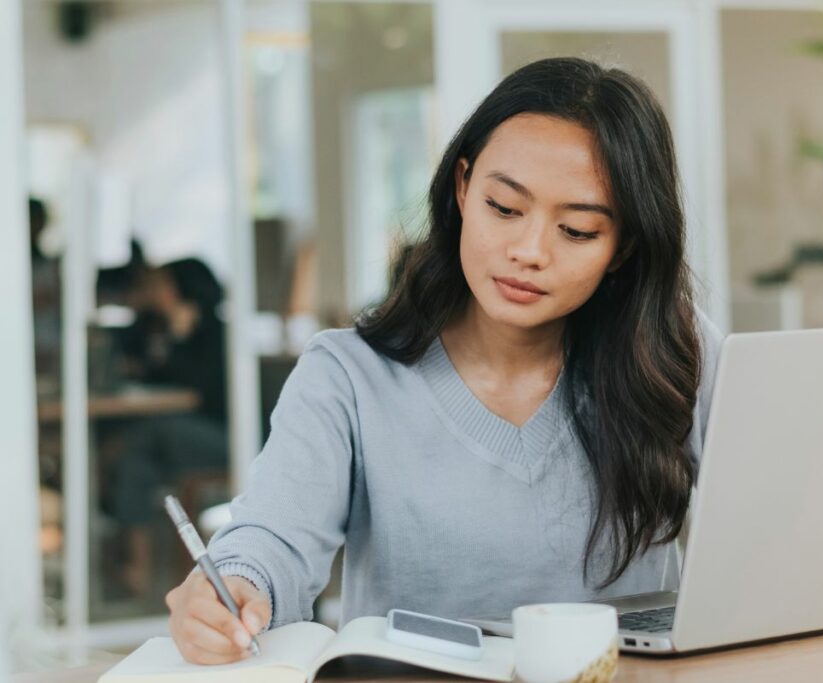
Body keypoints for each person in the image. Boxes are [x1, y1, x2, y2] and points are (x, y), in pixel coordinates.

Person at [165, 57, 723, 665]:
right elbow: (273, 536)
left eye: (578, 230)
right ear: (462, 188)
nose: (529, 252)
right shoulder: (349, 376)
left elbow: (779, 527)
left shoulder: (676, 354)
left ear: (624, 248)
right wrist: (236, 584)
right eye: (504, 209)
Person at [111, 257, 229, 596]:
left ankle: (109, 453)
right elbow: (155, 377)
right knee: (134, 464)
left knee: (152, 432)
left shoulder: (216, 331)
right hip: (182, 437)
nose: (154, 292)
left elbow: (199, 388)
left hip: (224, 436)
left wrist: (178, 337)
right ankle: (138, 571)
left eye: (161, 284)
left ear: (179, 288)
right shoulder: (158, 325)